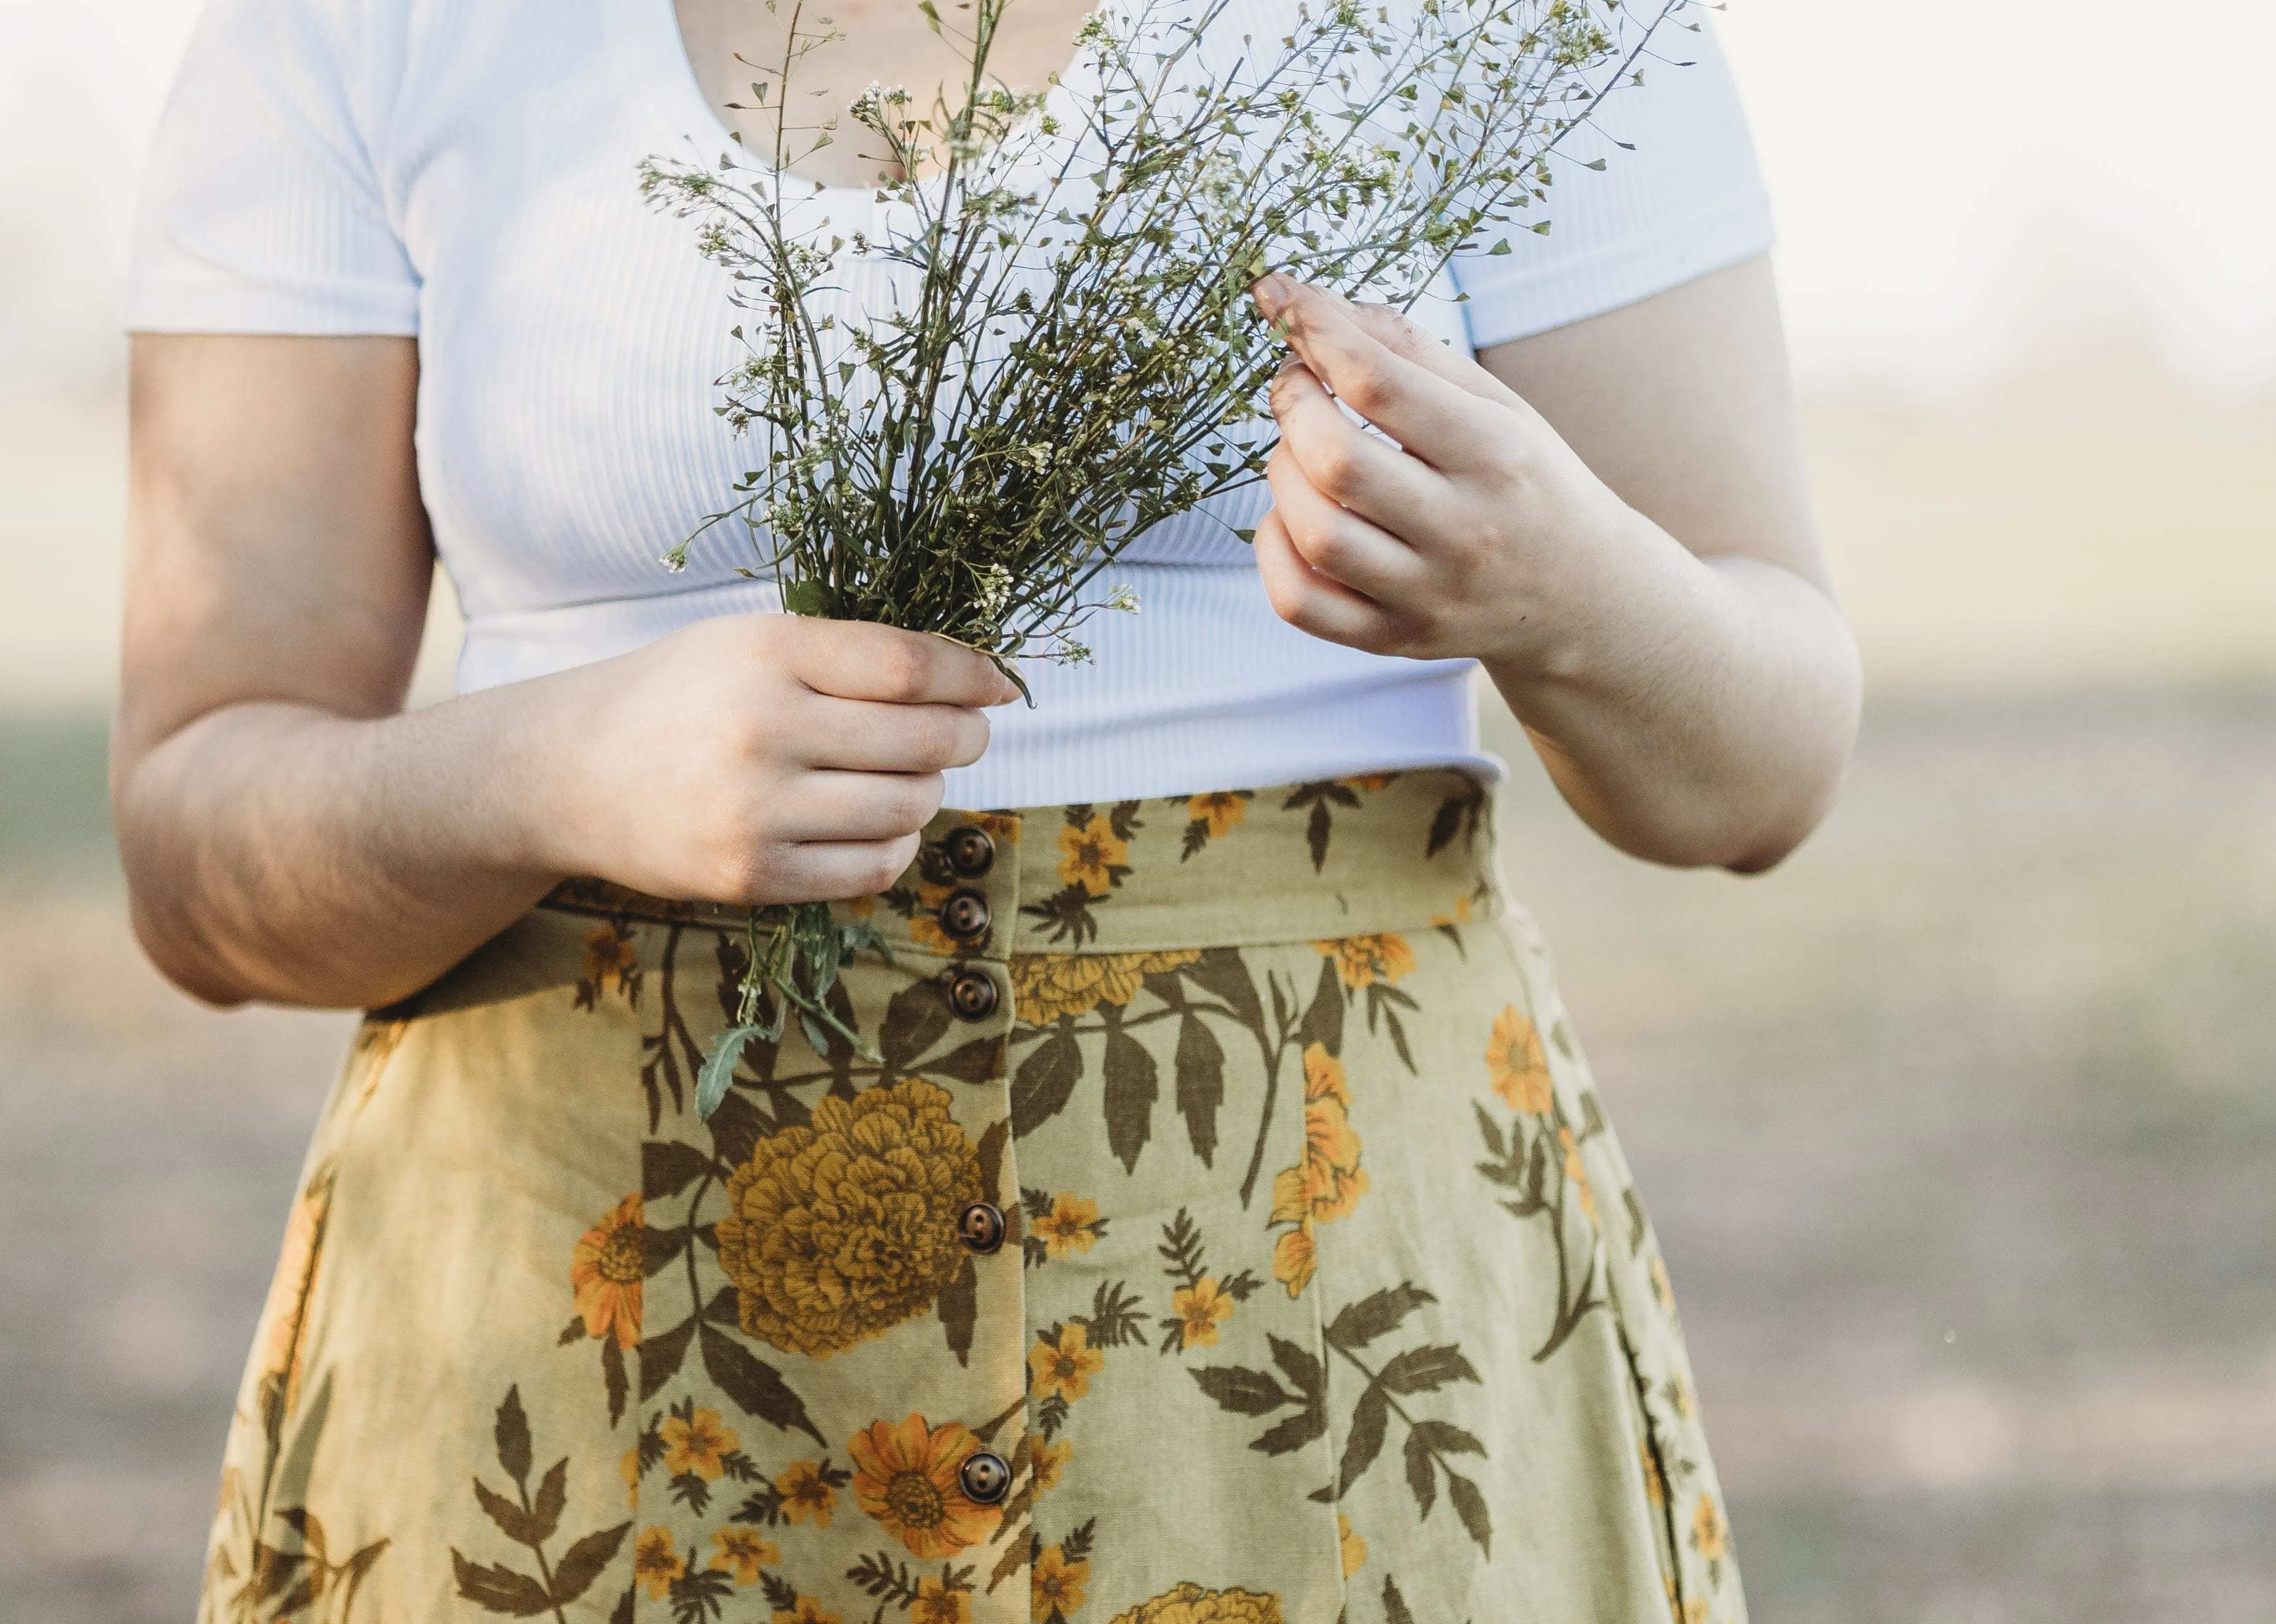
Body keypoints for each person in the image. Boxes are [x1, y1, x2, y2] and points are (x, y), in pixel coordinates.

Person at [119, 0, 1855, 1618]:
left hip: (1330, 1326)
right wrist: (546, 768)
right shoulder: (357, 28)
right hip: (582, 1345)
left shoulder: (1523, 30)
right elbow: (196, 856)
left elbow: (1760, 778)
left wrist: (1570, 591)